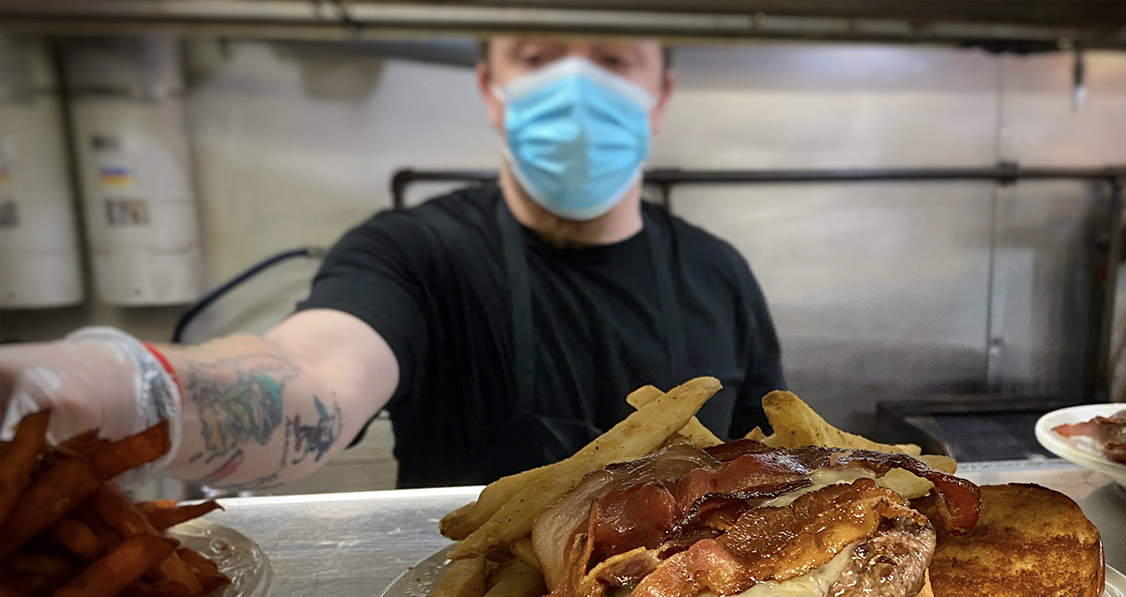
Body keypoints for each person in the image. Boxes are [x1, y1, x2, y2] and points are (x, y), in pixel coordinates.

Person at [0, 38, 784, 490]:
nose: (575, 89)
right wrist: (117, 391)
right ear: (490, 88)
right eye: (538, 55)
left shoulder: (721, 274)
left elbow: (768, 472)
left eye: (614, 58)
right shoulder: (412, 252)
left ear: (659, 93)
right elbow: (304, 374)